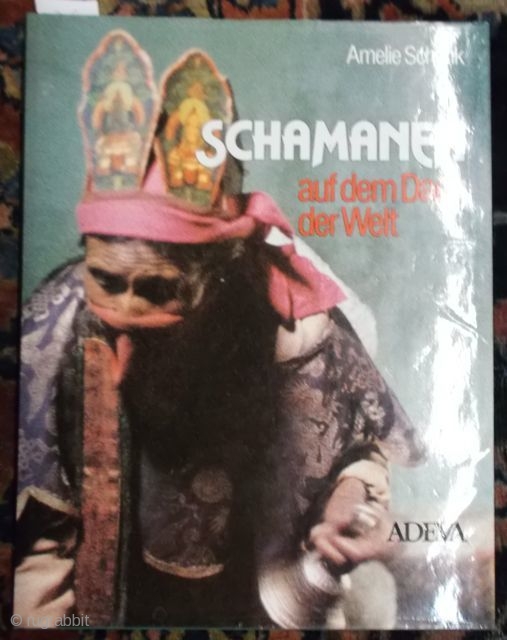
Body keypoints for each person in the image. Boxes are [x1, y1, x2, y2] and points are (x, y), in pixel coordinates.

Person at [14, 31, 423, 629]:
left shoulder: (292, 325)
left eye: (158, 289)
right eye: (107, 281)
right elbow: (41, 542)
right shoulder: (57, 322)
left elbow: (357, 453)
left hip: (253, 595)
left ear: (219, 269)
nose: (126, 311)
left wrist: (346, 497)